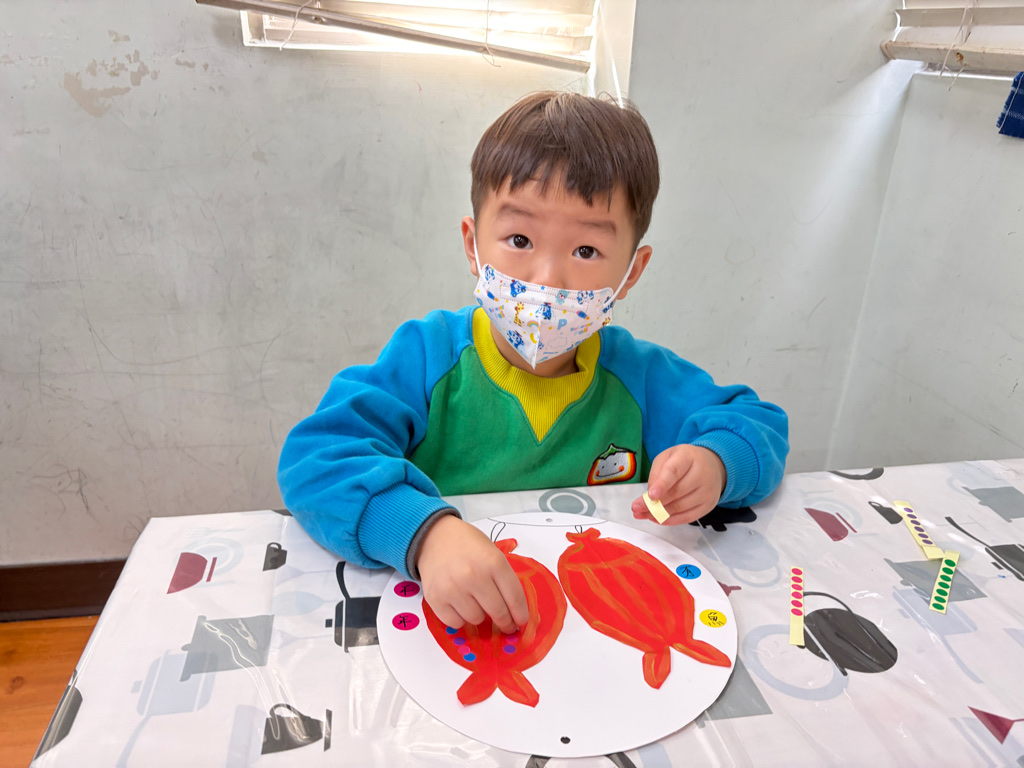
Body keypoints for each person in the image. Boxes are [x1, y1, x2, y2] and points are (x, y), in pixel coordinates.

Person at [278, 91, 789, 639]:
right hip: (456, 627)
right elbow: (316, 458)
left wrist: (717, 463)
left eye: (586, 251)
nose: (547, 278)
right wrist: (422, 535)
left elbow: (757, 423)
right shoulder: (427, 356)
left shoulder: (639, 375)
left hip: (599, 627)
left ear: (631, 272)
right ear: (473, 246)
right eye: (519, 239)